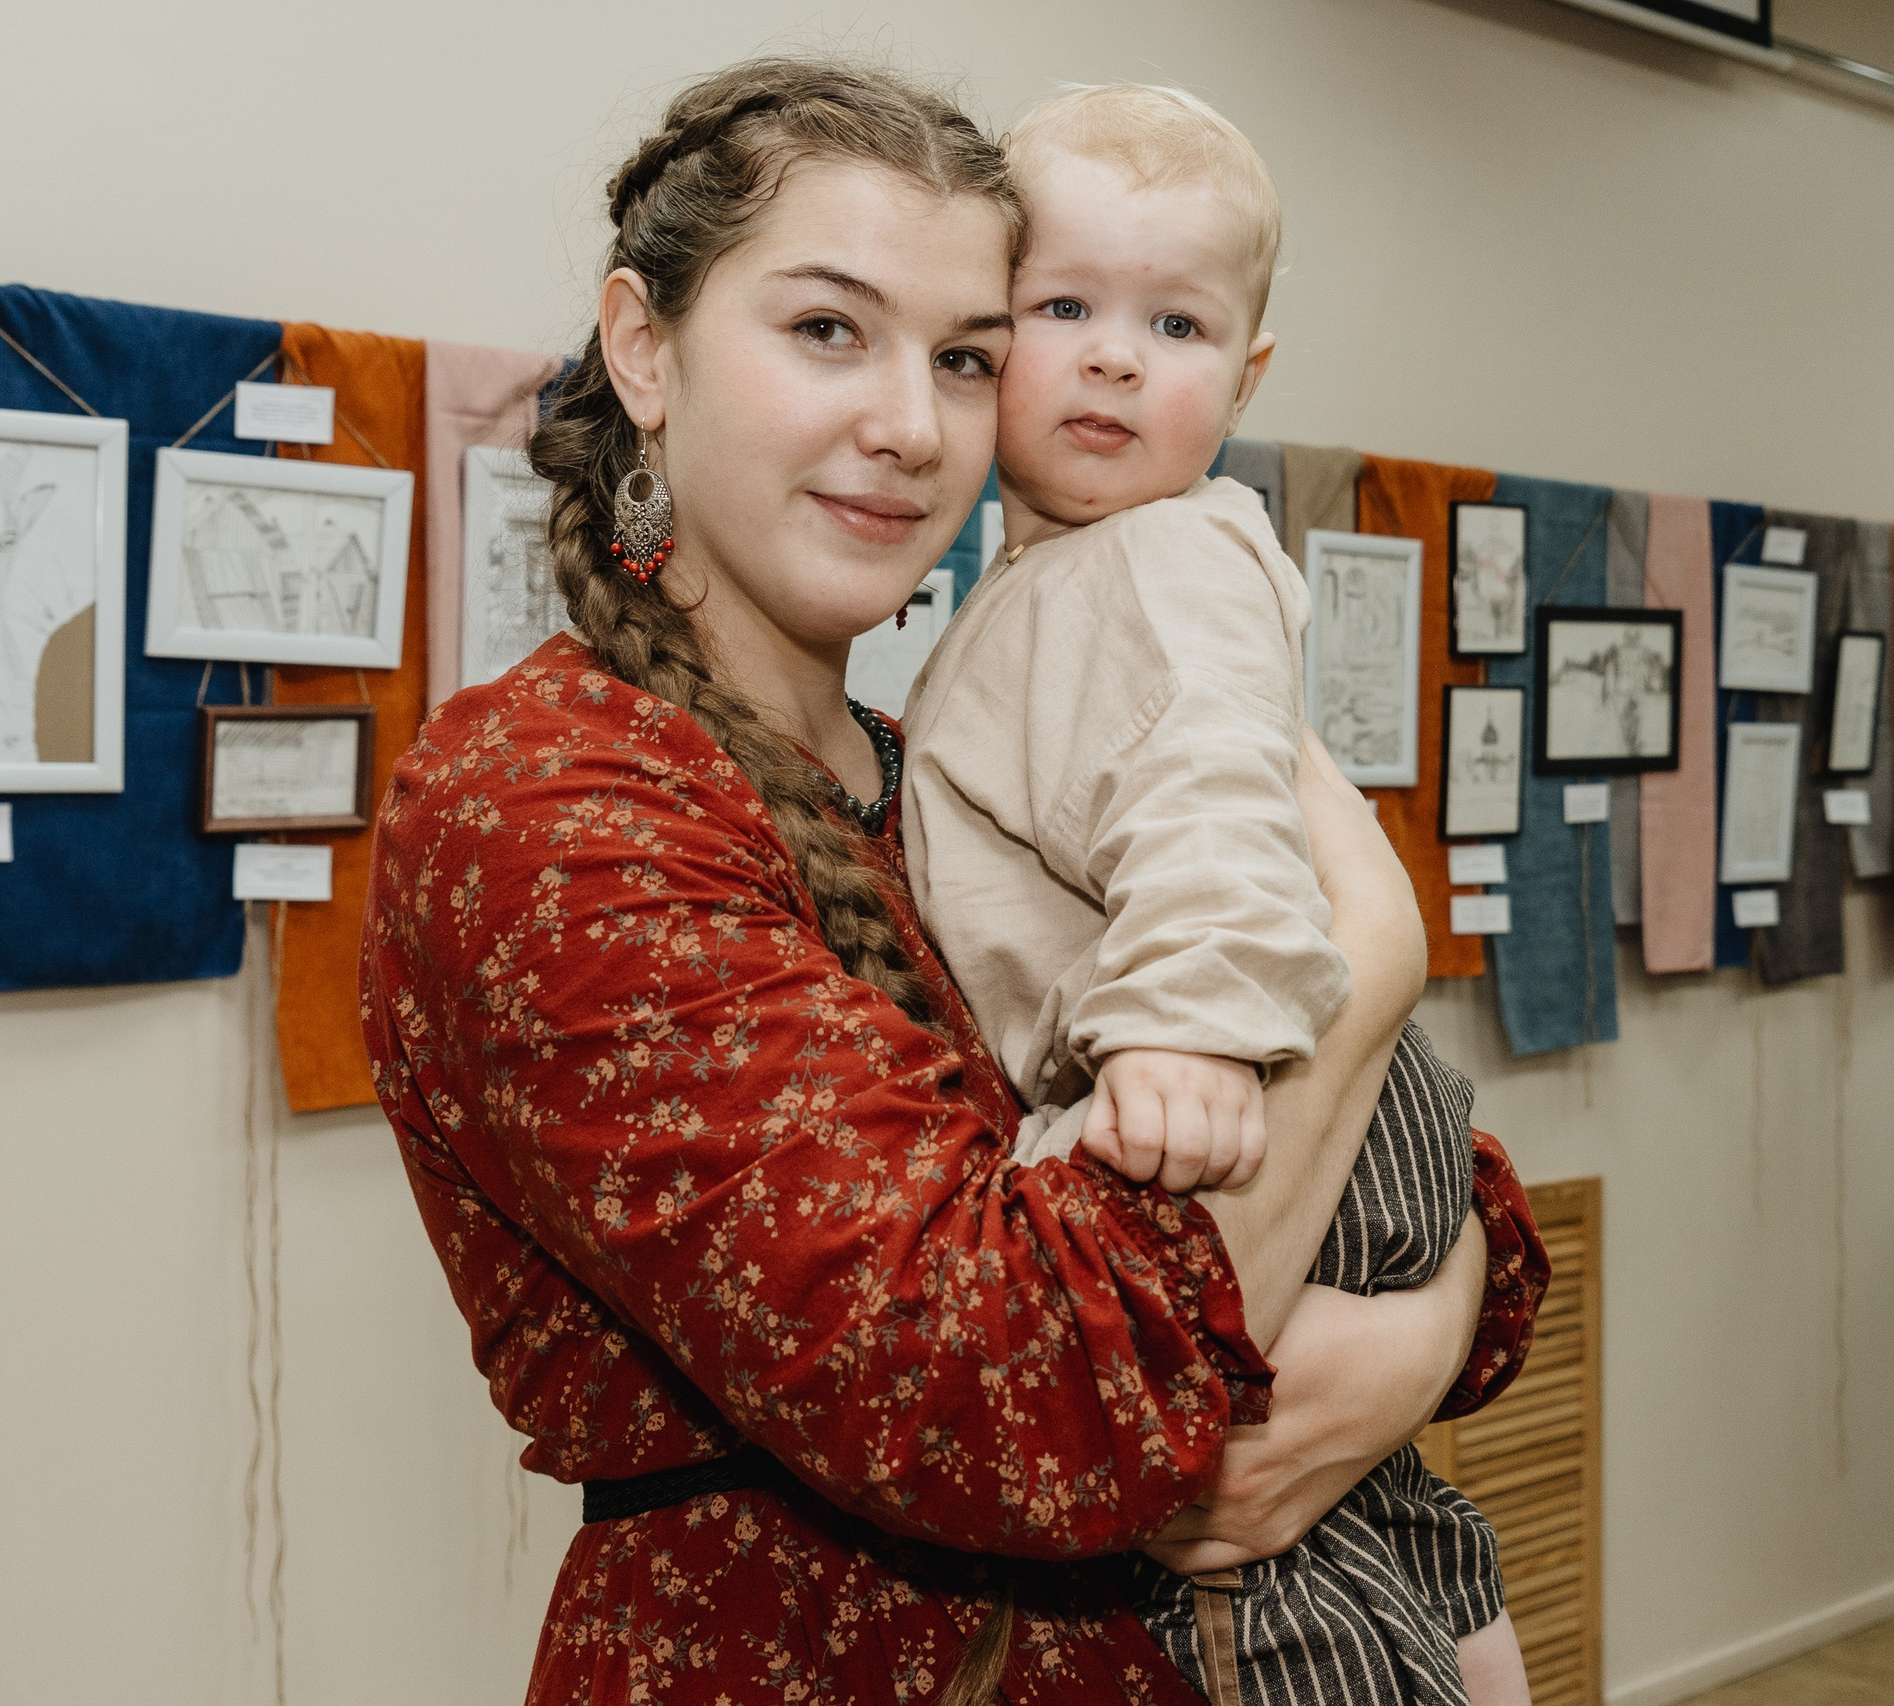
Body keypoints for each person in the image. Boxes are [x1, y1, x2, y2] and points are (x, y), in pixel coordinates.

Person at [361, 57, 1546, 1706]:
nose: (912, 425)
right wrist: (1376, 944)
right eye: (828, 330)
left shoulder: (938, 769)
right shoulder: (556, 800)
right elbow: (1007, 1402)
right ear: (644, 346)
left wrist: (1407, 1346)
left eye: (969, 355)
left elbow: (1442, 1204)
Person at [902, 83, 1532, 1706]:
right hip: (1335, 1079)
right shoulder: (1067, 578)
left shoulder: (1152, 563)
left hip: (1243, 1078)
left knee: (1256, 1590)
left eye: (1173, 322)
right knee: (1371, 1510)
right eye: (1065, 308)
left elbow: (1199, 821)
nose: (1115, 353)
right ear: (987, 341)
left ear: (1245, 377)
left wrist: (1178, 1031)